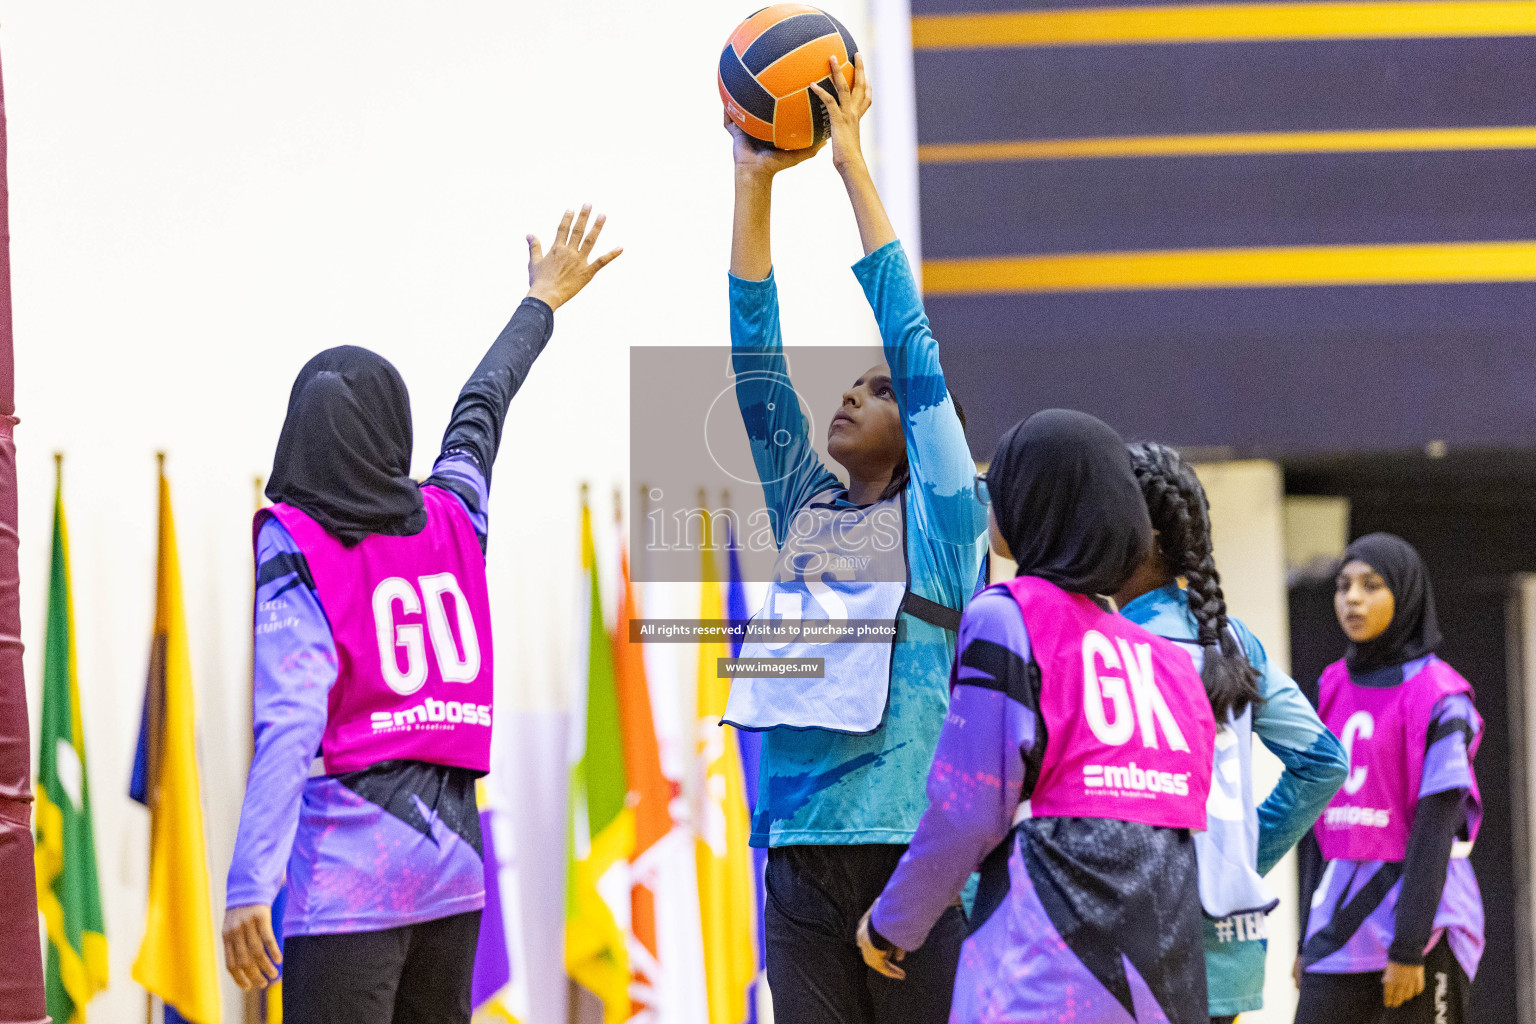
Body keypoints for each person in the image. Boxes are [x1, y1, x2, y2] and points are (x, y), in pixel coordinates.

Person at [221, 208, 620, 1023]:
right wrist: (540, 302)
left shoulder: (294, 542)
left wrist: (247, 883)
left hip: (346, 888)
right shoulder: (453, 514)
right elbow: (482, 407)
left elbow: (292, 716)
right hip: (453, 874)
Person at [720, 53, 988, 1024]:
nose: (851, 391)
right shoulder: (807, 509)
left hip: (909, 853)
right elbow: (756, 357)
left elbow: (912, 342)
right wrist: (752, 181)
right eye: (853, 382)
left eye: (875, 391)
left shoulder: (945, 519)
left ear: (918, 428)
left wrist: (850, 166)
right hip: (795, 849)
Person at [856, 410, 1217, 1024]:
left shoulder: (1008, 617)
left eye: (999, 483)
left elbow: (968, 807)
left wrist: (895, 921)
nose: (988, 496)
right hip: (1169, 981)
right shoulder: (1175, 664)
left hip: (1042, 978)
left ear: (1038, 503)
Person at [1114, 442, 1348, 1024]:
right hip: (1227, 953)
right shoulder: (1233, 640)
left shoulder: (1108, 647)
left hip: (1132, 951)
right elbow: (1324, 763)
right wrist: (1239, 857)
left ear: (1140, 536)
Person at [1294, 533, 1484, 1024]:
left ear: (1405, 595)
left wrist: (1409, 946)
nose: (1352, 598)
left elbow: (1435, 829)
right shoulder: (1332, 683)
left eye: (1371, 585)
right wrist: (1306, 936)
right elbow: (1320, 816)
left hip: (1423, 921)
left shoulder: (1442, 696)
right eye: (1343, 585)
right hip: (1341, 919)